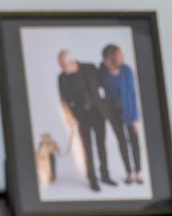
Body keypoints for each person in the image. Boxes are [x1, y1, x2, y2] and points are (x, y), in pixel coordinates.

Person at [54, 46, 112, 190]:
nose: (62, 68)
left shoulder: (90, 68)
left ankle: (105, 175)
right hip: (81, 116)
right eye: (60, 65)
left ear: (72, 61)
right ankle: (92, 179)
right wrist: (69, 118)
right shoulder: (62, 78)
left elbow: (103, 82)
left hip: (97, 113)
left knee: (101, 146)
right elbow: (63, 101)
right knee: (87, 148)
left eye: (63, 64)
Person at [100, 42, 144, 185]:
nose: (104, 61)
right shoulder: (104, 72)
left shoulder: (127, 70)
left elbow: (132, 94)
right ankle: (128, 173)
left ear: (112, 58)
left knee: (134, 142)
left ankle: (138, 172)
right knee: (122, 142)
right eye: (103, 58)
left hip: (129, 110)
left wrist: (136, 118)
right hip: (114, 113)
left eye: (106, 58)